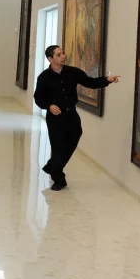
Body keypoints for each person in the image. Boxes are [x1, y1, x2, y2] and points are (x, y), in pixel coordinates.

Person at [33, 45, 120, 191]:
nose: (63, 56)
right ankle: (58, 179)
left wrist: (107, 80)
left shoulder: (73, 72)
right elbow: (38, 98)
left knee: (74, 138)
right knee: (57, 146)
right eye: (59, 54)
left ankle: (52, 166)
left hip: (71, 114)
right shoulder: (44, 77)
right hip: (55, 118)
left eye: (63, 53)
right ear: (50, 59)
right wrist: (49, 106)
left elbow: (90, 83)